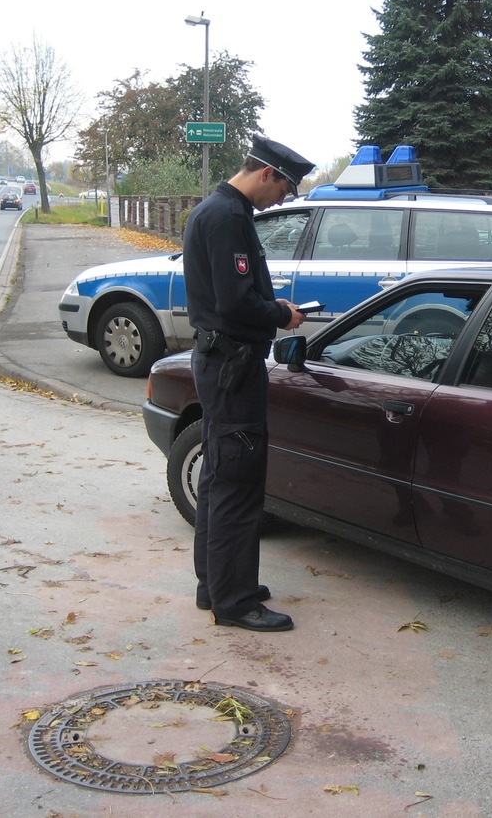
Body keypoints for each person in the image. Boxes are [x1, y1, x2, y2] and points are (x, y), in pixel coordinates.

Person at [183, 136, 314, 632]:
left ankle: (214, 583)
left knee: (218, 477)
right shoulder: (228, 217)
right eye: (284, 189)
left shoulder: (214, 210)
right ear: (266, 174)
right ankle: (235, 602)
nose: (282, 199)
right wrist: (281, 313)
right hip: (232, 366)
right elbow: (237, 303)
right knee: (237, 483)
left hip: (221, 363)